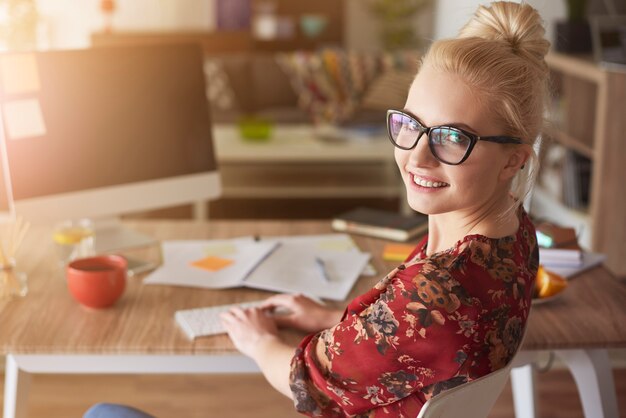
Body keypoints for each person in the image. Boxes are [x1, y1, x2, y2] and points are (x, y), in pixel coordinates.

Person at [85, 1, 548, 417]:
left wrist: (259, 340)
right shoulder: (513, 238)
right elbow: (426, 342)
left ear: (514, 159)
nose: (416, 156)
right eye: (411, 125)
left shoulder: (435, 293)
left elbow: (307, 383)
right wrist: (334, 317)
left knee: (104, 413)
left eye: (453, 138)